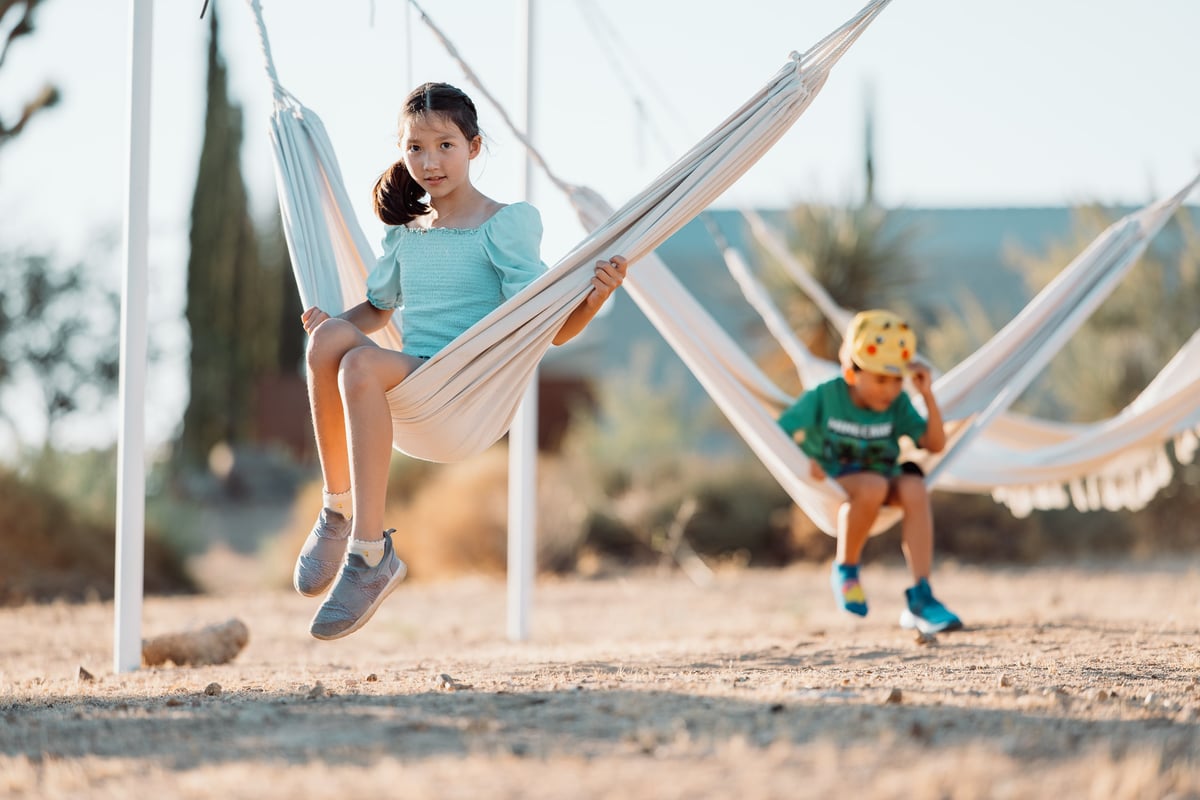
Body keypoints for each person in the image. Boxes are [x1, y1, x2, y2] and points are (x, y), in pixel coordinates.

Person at [293, 82, 630, 640]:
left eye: (445, 146)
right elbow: (377, 310)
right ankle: (337, 510)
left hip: (465, 388)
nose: (430, 162)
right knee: (327, 342)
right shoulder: (407, 236)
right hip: (413, 383)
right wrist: (330, 324)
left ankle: (370, 555)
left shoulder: (504, 224)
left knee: (357, 367)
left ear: (473, 147)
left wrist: (593, 299)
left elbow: (548, 329)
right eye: (416, 148)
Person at [778, 309, 962, 634]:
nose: (889, 389)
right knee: (872, 486)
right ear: (852, 373)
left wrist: (927, 394)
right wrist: (806, 460)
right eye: (880, 380)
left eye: (897, 380)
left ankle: (922, 595)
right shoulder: (826, 395)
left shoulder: (898, 403)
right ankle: (846, 570)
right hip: (839, 480)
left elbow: (935, 445)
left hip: (883, 477)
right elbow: (780, 432)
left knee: (914, 488)